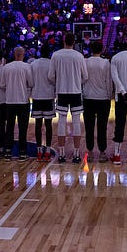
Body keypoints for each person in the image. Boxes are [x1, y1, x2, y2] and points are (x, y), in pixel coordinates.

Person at [49, 33, 87, 164]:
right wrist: (76, 81)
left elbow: (50, 76)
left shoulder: (56, 55)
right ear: (74, 42)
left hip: (62, 92)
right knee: (76, 122)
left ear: (64, 40)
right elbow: (85, 76)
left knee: (61, 122)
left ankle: (62, 154)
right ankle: (76, 154)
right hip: (76, 92)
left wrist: (60, 81)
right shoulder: (79, 56)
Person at [2, 46, 33, 160]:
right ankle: (22, 152)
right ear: (23, 54)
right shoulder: (27, 67)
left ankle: (8, 151)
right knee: (22, 128)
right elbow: (31, 83)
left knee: (9, 127)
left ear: (14, 54)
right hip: (23, 101)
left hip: (9, 101)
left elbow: (2, 85)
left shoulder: (6, 67)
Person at [83, 41, 112, 163]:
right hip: (103, 98)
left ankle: (89, 153)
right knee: (102, 126)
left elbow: (82, 79)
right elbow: (109, 81)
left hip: (88, 97)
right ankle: (102, 152)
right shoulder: (106, 63)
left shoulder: (85, 62)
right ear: (102, 49)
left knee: (89, 126)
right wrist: (109, 96)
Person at [29, 46, 56, 162]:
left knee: (38, 124)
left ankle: (39, 151)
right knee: (48, 125)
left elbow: (30, 81)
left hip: (37, 96)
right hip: (48, 96)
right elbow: (55, 79)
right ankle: (48, 150)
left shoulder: (33, 64)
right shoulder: (52, 64)